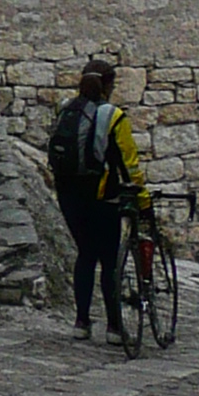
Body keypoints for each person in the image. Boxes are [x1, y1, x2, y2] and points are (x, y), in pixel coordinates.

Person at [47, 59, 151, 340]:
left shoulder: (65, 108)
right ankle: (114, 328)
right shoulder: (113, 116)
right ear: (108, 85)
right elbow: (129, 164)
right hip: (102, 195)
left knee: (85, 254)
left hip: (69, 194)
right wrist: (143, 202)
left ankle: (81, 322)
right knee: (109, 259)